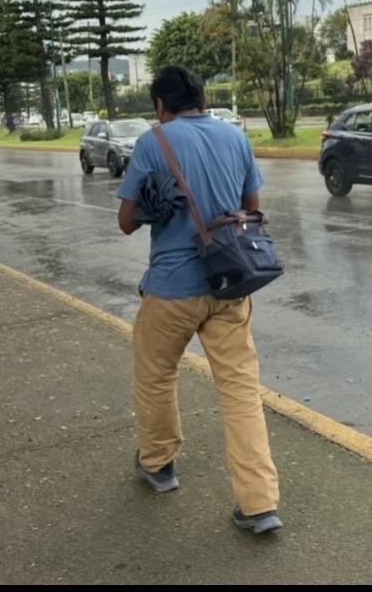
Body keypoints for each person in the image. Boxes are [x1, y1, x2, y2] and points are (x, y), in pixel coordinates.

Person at [114, 65, 282, 534]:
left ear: (161, 106)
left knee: (156, 377)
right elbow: (251, 206)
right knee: (241, 392)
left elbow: (126, 221)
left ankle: (158, 464)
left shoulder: (154, 141)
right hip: (229, 285)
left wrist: (157, 207)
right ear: (203, 99)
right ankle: (259, 504)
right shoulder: (236, 138)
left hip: (171, 289)